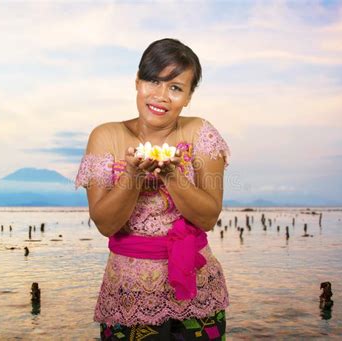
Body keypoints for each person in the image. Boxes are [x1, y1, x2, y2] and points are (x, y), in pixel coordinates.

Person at [75, 38, 230, 341]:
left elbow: (208, 218)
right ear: (137, 81)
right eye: (153, 81)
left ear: (188, 97)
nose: (161, 96)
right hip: (130, 293)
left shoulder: (200, 132)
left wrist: (172, 175)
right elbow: (106, 224)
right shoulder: (106, 136)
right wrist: (132, 174)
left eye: (175, 87)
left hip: (196, 289)